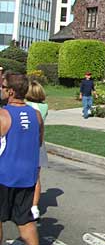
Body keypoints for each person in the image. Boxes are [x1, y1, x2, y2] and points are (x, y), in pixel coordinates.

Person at [0, 72, 43, 245]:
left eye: (3, 87)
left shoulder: (3, 115)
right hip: (27, 177)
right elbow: (38, 143)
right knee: (26, 222)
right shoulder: (36, 115)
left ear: (10, 92)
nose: (1, 89)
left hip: (4, 175)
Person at [25, 80, 49, 220]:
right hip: (39, 143)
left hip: (26, 142)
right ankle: (34, 207)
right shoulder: (44, 107)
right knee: (36, 177)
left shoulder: (27, 105)